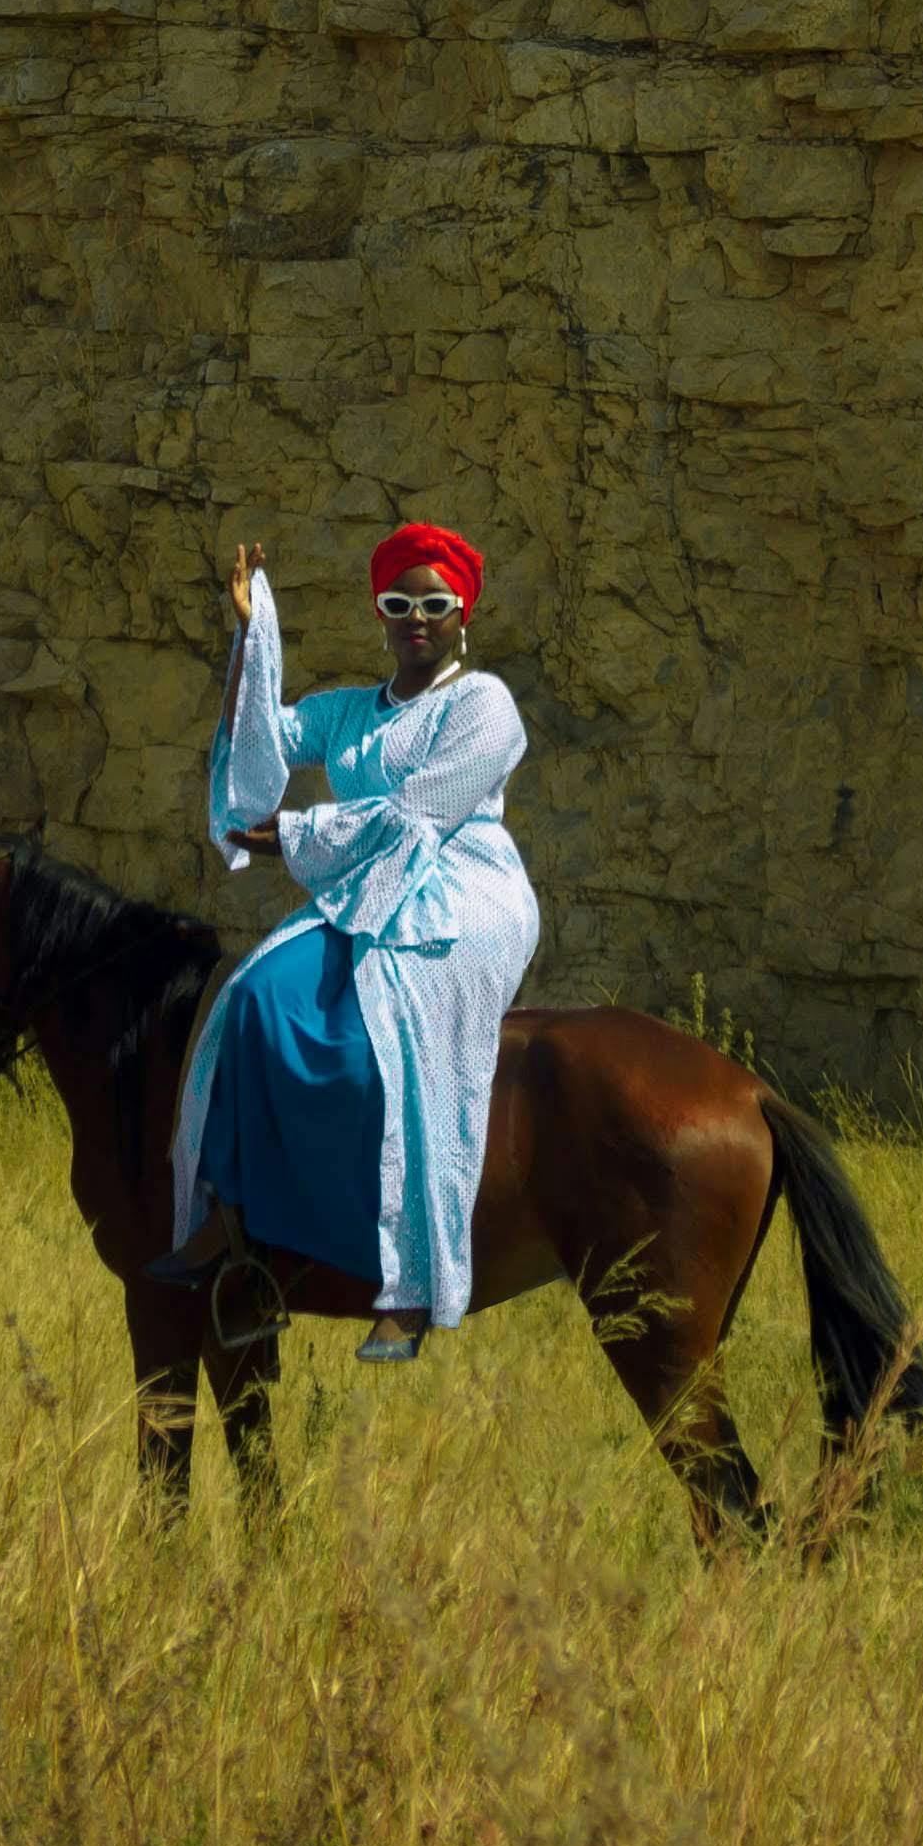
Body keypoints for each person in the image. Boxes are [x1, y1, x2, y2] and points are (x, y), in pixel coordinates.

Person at [151, 523, 538, 1361]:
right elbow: (268, 738)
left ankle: (409, 1278)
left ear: (461, 610)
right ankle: (239, 1226)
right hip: (368, 889)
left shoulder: (485, 705)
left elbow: (416, 813)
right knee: (253, 996)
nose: (416, 618)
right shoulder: (353, 713)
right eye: (399, 603)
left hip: (463, 891)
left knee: (393, 1031)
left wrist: (290, 834)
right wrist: (255, 636)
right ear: (381, 613)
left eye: (433, 603)